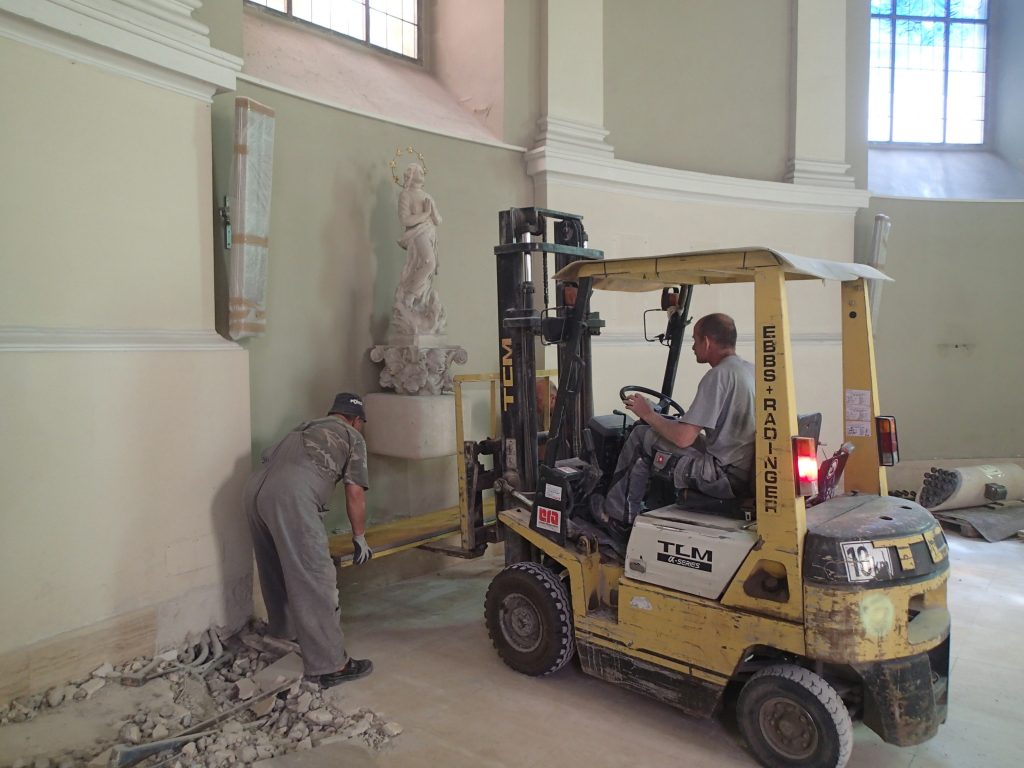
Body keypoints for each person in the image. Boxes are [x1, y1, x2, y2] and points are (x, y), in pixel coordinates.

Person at [243, 393, 375, 688]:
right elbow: (355, 492)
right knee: (315, 575)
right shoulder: (351, 435)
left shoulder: (305, 427)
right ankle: (331, 665)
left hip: (254, 492)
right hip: (291, 495)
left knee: (274, 567)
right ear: (355, 419)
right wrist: (359, 537)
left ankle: (283, 633)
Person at [596, 313, 756, 531]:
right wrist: (657, 415)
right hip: (739, 468)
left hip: (722, 475)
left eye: (695, 340)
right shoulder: (749, 371)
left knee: (642, 437)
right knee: (663, 433)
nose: (693, 347)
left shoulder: (718, 376)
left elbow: (683, 438)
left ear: (707, 342)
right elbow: (691, 428)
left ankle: (618, 518)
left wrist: (648, 415)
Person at [393, 163, 445, 336]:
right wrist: (424, 215)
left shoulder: (427, 195)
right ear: (411, 174)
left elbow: (438, 220)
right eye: (419, 171)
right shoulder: (405, 195)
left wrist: (432, 211)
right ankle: (409, 295)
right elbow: (405, 220)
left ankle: (417, 300)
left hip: (430, 233)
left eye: (423, 171)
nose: (423, 173)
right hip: (417, 234)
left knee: (429, 267)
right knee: (428, 263)